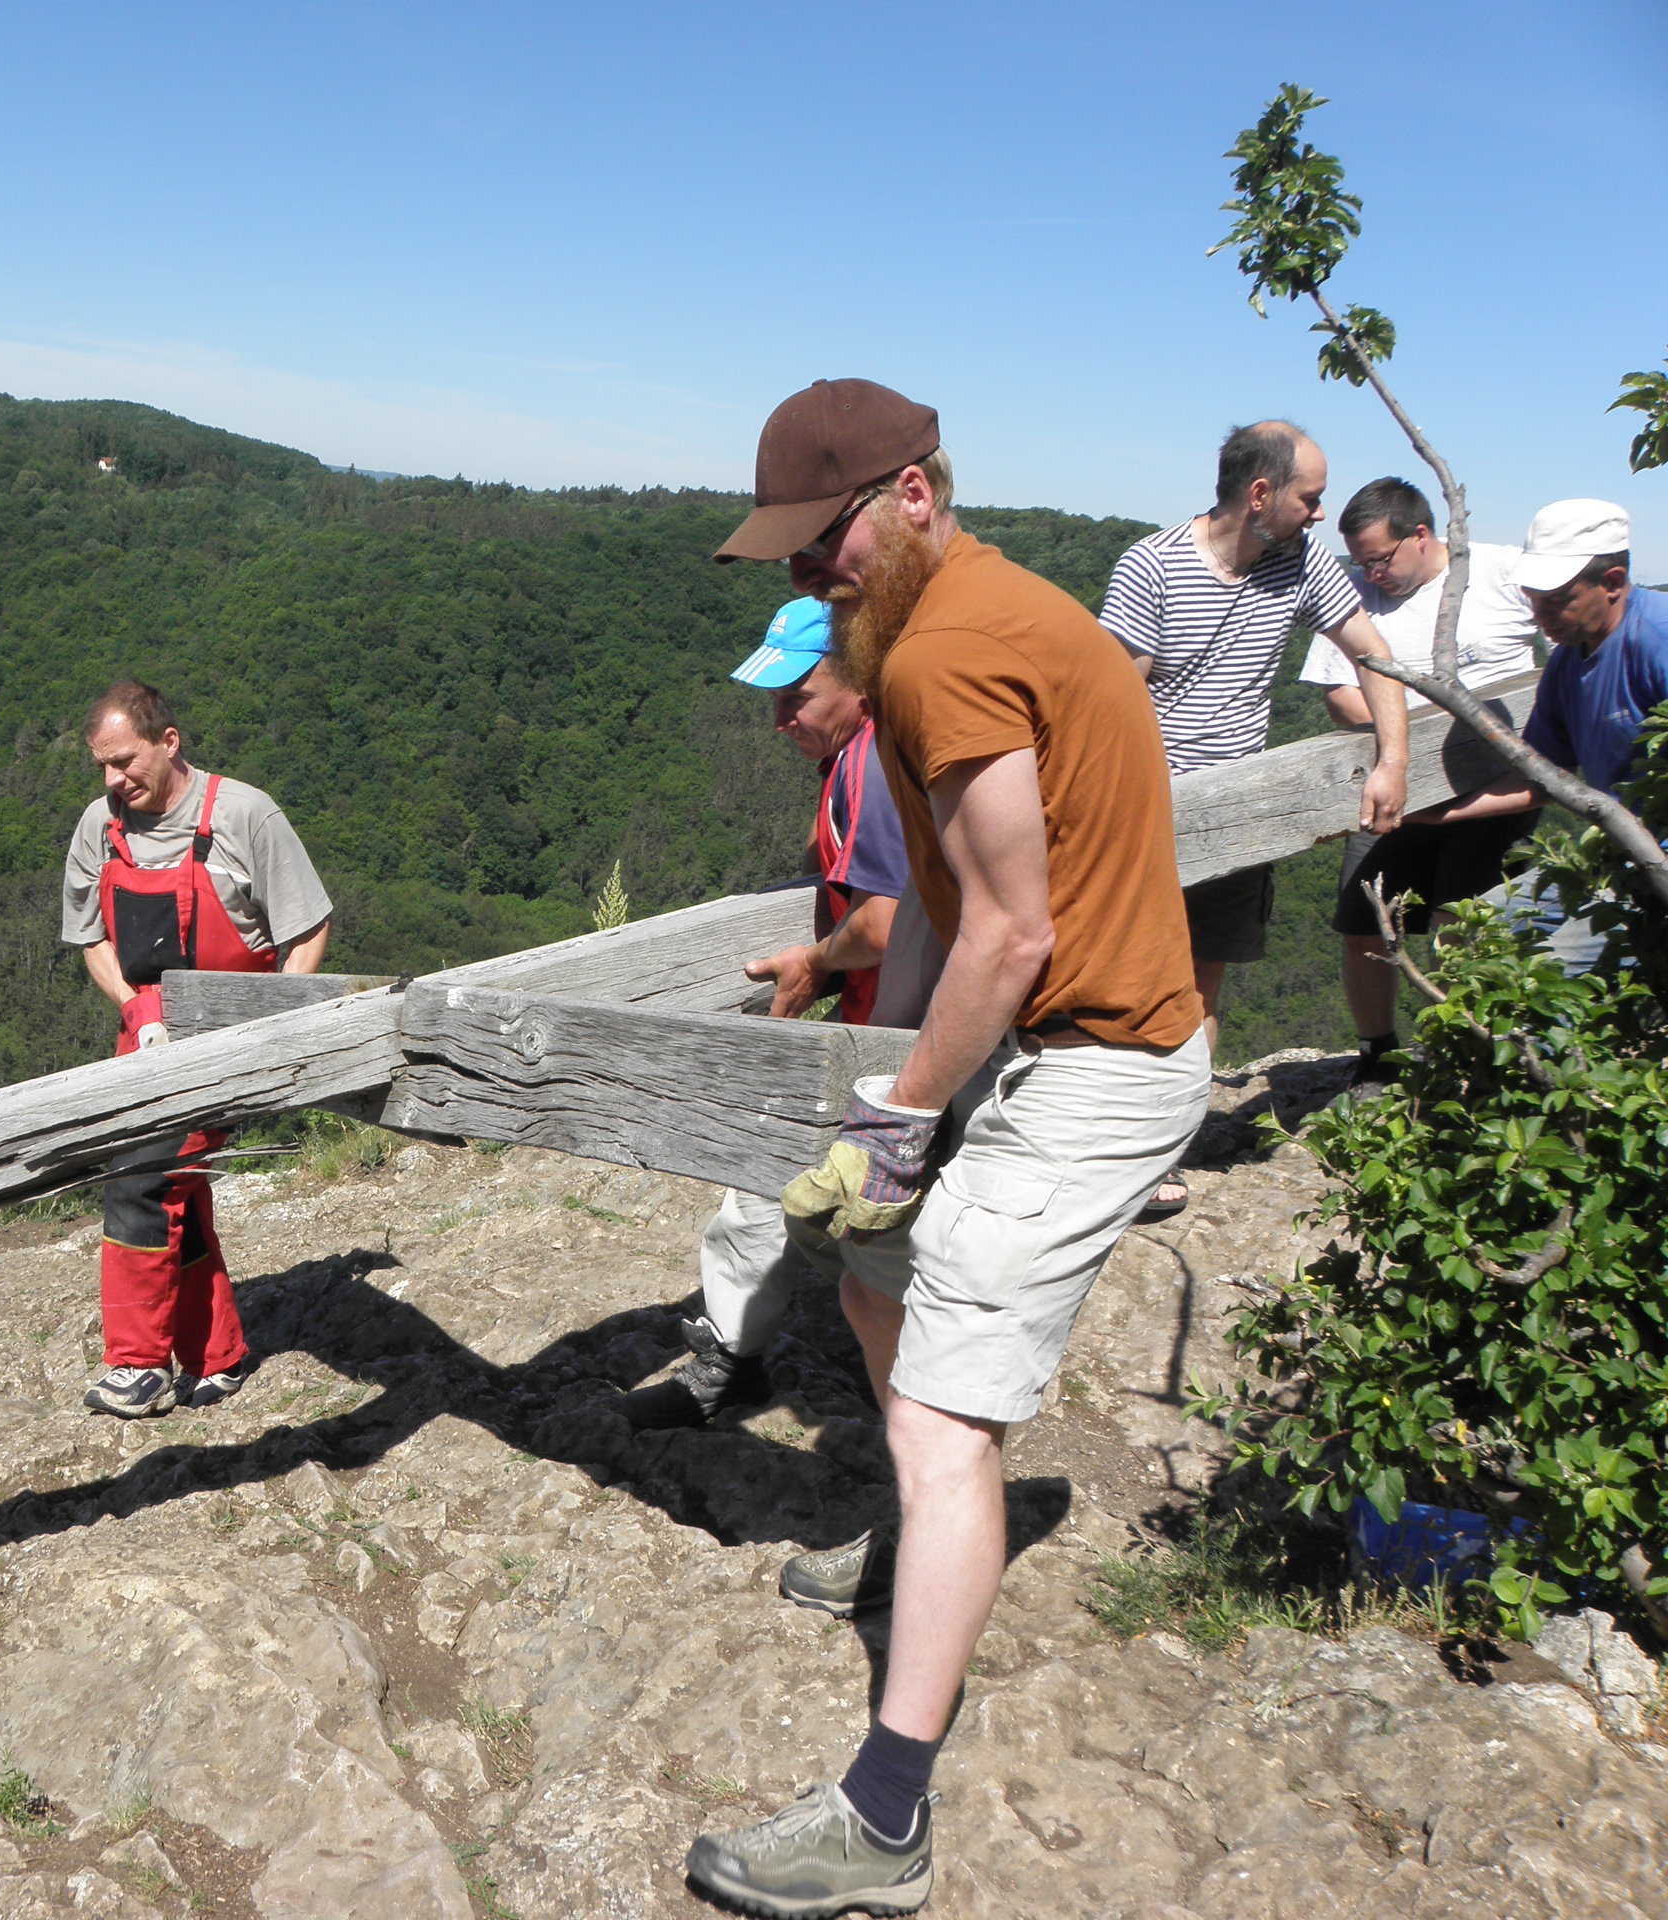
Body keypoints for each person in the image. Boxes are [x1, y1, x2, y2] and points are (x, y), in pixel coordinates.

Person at [680, 380, 1209, 1917]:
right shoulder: (937, 630)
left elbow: (1018, 934)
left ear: (914, 494)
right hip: (1032, 1038)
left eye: (823, 540)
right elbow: (932, 915)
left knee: (936, 1409)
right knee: (869, 1271)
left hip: (1098, 1062)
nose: (809, 576)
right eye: (788, 558)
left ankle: (885, 1818)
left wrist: (903, 1114)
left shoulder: (952, 652)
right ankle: (927, 1548)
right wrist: (883, 1127)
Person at [1097, 420, 1410, 1212]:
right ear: (1261, 493)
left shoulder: (1299, 562)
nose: (1319, 513)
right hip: (1146, 811)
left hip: (1240, 819)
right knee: (1123, 983)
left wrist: (1394, 761)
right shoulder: (1154, 565)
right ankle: (1107, 1149)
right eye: (1310, 497)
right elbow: (1106, 699)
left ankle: (1162, 1151)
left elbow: (1371, 652)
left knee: (1200, 986)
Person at [619, 594, 908, 1432]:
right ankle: (737, 1358)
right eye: (774, 699)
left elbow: (886, 922)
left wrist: (815, 961)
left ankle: (900, 1400)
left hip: (901, 1045)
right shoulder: (858, 754)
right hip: (875, 1024)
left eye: (797, 697)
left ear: (859, 680)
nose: (780, 719)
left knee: (850, 1222)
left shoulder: (873, 767)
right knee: (761, 1182)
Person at [61, 680, 333, 1417]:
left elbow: (307, 933)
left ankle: (137, 1364)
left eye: (125, 761)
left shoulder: (244, 814)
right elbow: (89, 938)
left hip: (228, 1040)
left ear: (169, 741)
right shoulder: (100, 826)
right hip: (142, 1037)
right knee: (175, 1186)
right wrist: (134, 1008)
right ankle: (218, 1354)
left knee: (142, 1179)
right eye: (103, 767)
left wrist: (271, 1031)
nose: (115, 780)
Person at [1300, 477, 1544, 1077]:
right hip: (1393, 789)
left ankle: (1476, 1056)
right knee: (1366, 928)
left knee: (1460, 928)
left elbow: (1563, 640)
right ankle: (1376, 1054)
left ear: (1421, 535)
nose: (1370, 574)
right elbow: (1338, 694)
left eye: (1379, 560)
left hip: (1493, 789)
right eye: (1359, 562)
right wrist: (1412, 736)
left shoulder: (1503, 573)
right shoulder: (1355, 596)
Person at [1414, 500, 1666, 973]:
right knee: (1462, 927)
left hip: (1654, 867)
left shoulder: (1657, 640)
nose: (1540, 619)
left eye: (1556, 602)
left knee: (1549, 973)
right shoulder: (1568, 663)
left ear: (1611, 583)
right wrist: (1440, 815)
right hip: (1614, 853)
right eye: (1533, 602)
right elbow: (1540, 777)